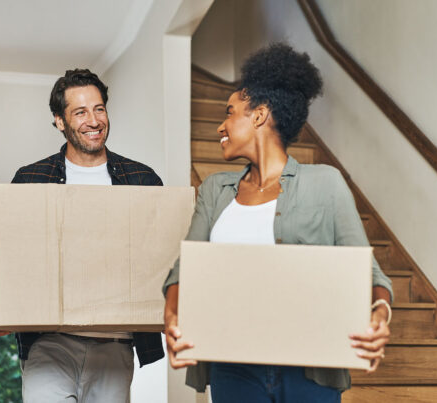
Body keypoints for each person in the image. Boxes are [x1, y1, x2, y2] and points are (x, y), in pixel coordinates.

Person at [161, 43, 393, 402]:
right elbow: (184, 269)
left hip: (310, 370)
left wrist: (380, 313)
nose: (220, 125)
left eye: (231, 113)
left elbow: (369, 272)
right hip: (231, 366)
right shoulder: (214, 190)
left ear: (259, 115)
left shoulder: (325, 183)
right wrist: (172, 316)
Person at [0, 68, 164, 403]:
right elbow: (6, 251)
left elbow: (162, 256)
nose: (93, 120)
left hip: (116, 343)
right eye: (80, 112)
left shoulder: (143, 178)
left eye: (99, 109)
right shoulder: (31, 177)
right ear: (59, 121)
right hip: (49, 341)